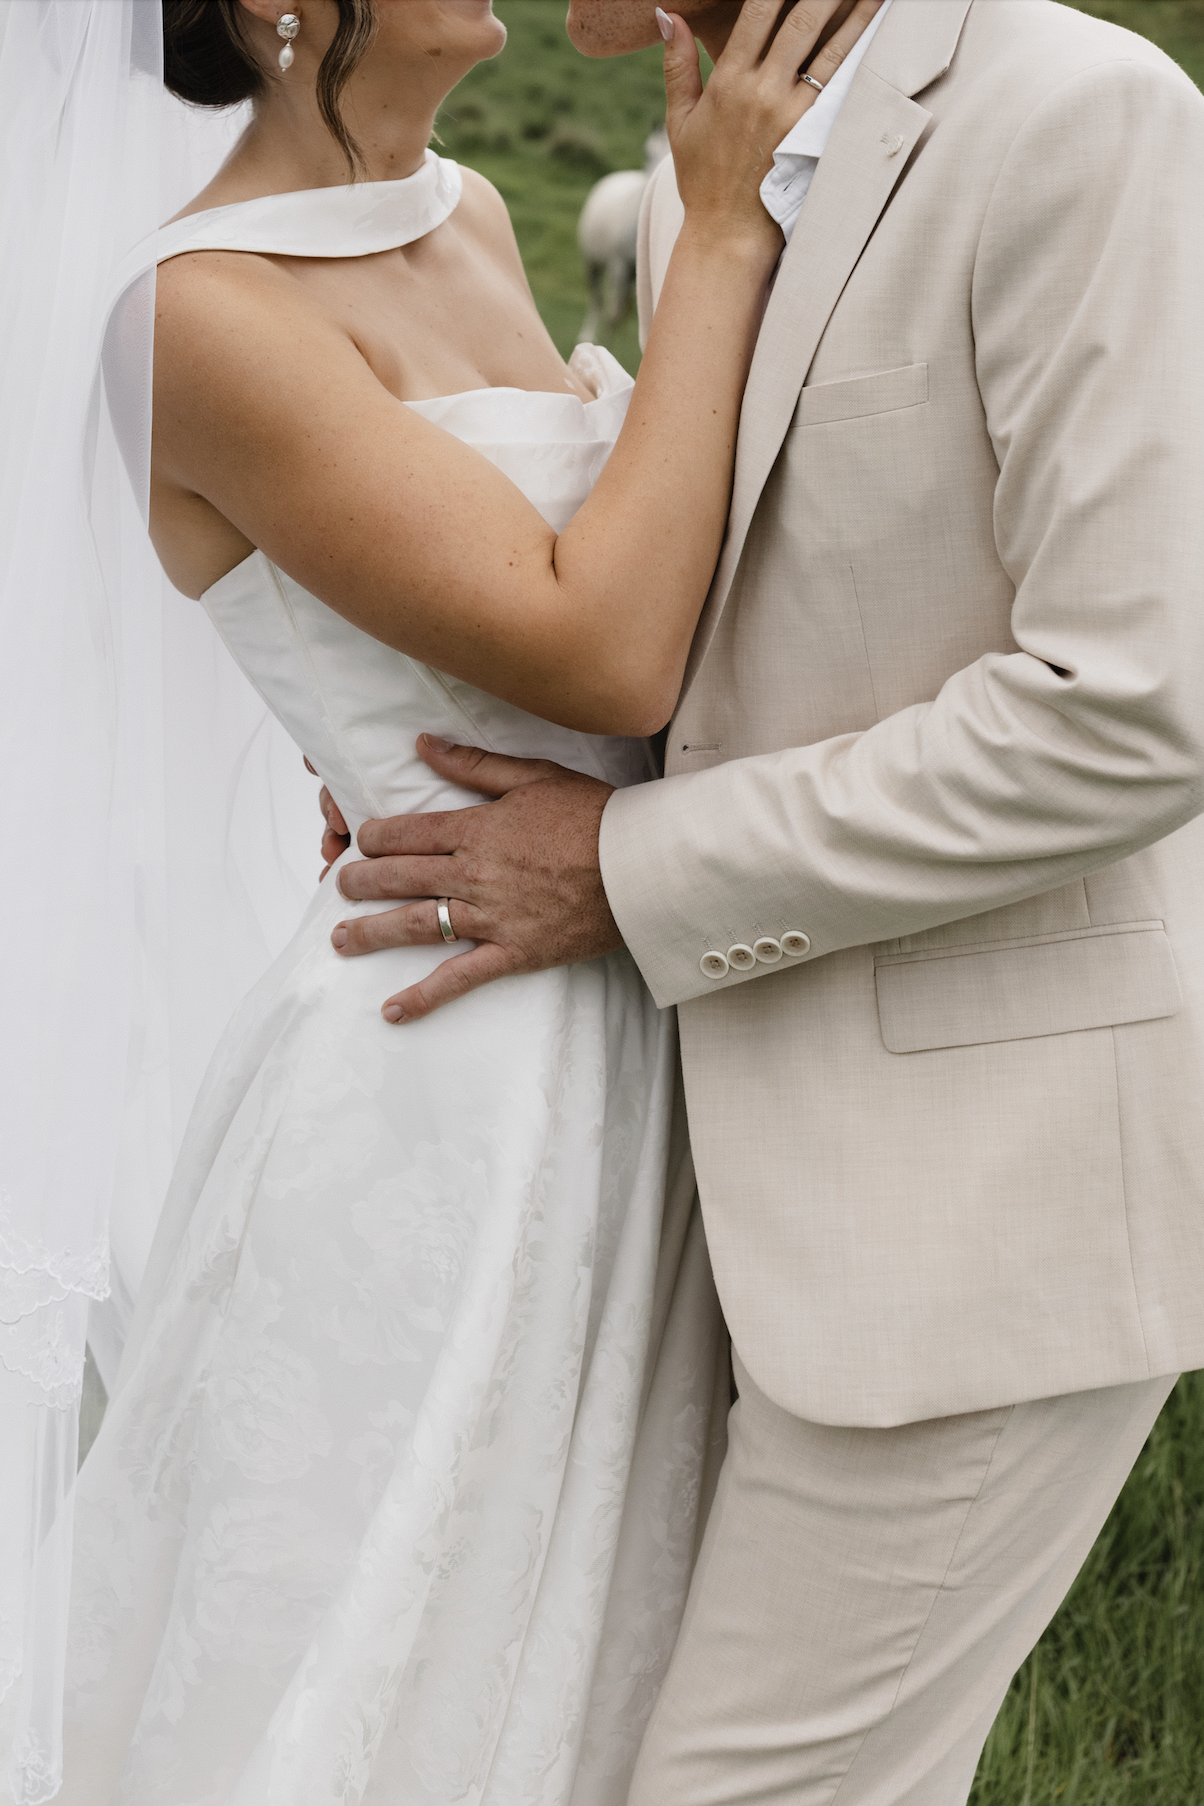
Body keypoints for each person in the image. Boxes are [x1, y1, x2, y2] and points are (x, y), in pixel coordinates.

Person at [327, 0, 1204, 1799]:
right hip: (731, 1166)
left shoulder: (1079, 113)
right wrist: (428, 764)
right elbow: (720, 643)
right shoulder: (691, 182)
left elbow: (1134, 705)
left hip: (984, 1199)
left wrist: (623, 867)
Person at [52, 3, 883, 1803]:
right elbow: (603, 648)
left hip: (641, 985)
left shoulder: (475, 217)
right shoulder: (194, 317)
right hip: (448, 1073)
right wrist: (723, 227)